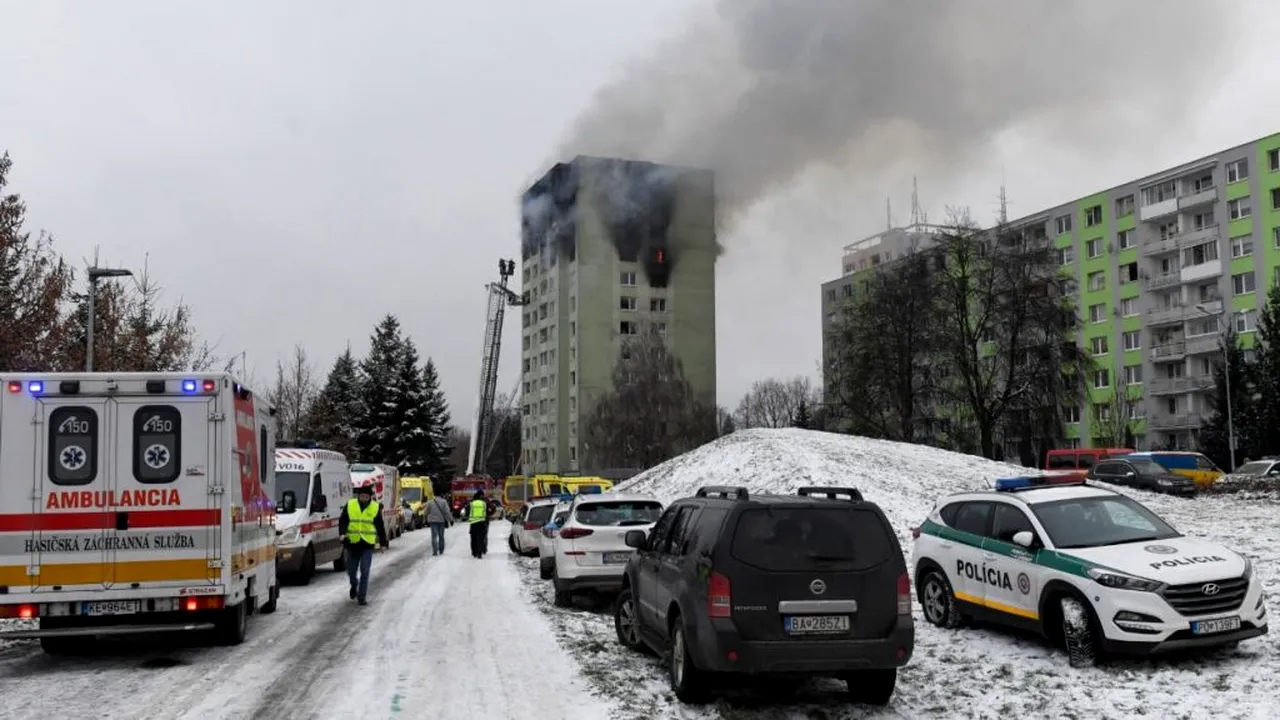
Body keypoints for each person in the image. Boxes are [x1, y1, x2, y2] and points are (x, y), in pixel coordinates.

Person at [339, 483, 389, 605]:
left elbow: (380, 526)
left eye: (366, 497)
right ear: (358, 496)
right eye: (362, 496)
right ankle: (354, 585)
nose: (364, 499)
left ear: (370, 497)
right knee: (351, 571)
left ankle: (362, 597)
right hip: (352, 543)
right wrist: (342, 533)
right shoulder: (350, 504)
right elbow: (343, 520)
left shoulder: (375, 507)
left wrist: (383, 543)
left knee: (365, 571)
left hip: (367, 544)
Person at [425, 491, 453, 556]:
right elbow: (447, 512)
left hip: (433, 522)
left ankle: (435, 551)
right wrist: (451, 520)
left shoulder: (430, 502)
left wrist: (428, 515)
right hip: (441, 521)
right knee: (441, 536)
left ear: (434, 495)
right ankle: (441, 550)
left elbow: (426, 512)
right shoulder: (444, 502)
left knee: (434, 536)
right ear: (441, 495)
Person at [467, 489, 489, 559]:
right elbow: (486, 512)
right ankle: (480, 553)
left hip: (473, 523)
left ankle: (474, 552)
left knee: (473, 539)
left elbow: (467, 512)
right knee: (480, 538)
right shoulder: (484, 503)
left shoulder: (471, 503)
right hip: (482, 522)